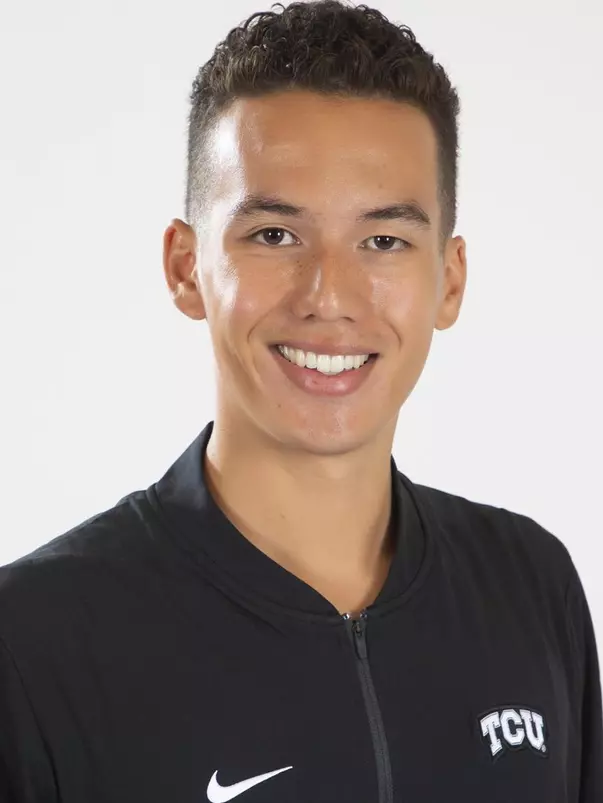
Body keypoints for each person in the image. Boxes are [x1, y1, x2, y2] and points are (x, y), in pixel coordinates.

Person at [1, 1, 601, 800]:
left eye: (383, 240)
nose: (329, 297)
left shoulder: (532, 588)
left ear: (448, 280)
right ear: (186, 268)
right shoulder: (33, 644)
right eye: (274, 236)